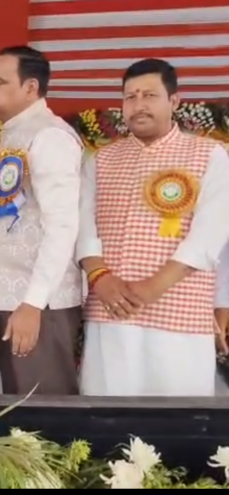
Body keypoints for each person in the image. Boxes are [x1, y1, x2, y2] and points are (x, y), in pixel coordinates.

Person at [77, 58, 229, 397]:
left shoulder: (210, 155)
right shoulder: (101, 159)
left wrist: (154, 286)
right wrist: (100, 277)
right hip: (110, 308)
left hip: (179, 309)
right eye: (130, 97)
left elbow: (211, 232)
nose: (138, 105)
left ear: (174, 101)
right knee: (107, 411)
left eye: (149, 95)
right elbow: (83, 224)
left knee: (177, 416)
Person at [0, 46, 84, 396]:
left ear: (31, 87)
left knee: (42, 409)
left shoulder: (49, 136)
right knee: (21, 408)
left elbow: (62, 226)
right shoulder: (16, 131)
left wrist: (33, 302)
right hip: (11, 300)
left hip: (36, 304)